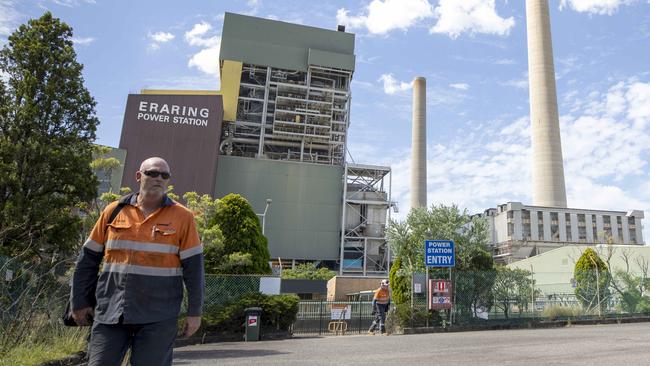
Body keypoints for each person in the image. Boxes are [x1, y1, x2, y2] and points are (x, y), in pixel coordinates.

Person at [71, 157, 204, 366]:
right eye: (152, 173)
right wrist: (79, 301)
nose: (158, 178)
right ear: (138, 176)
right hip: (110, 312)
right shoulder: (113, 211)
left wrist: (195, 312)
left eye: (164, 175)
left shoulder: (183, 217)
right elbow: (87, 260)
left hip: (159, 316)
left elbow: (194, 270)